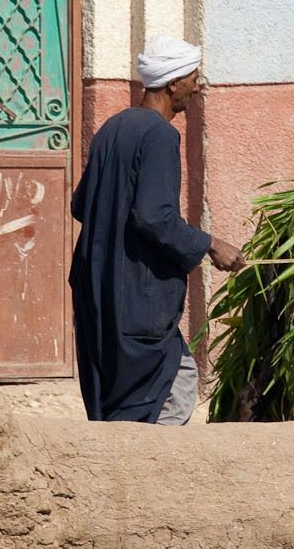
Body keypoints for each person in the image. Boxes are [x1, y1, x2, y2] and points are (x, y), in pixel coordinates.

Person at [68, 35, 245, 424]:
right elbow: (154, 217)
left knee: (124, 393)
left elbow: (81, 205)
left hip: (97, 290)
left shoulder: (112, 128)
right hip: (136, 296)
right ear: (173, 83)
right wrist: (210, 245)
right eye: (193, 79)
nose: (196, 89)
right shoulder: (160, 134)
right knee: (173, 387)